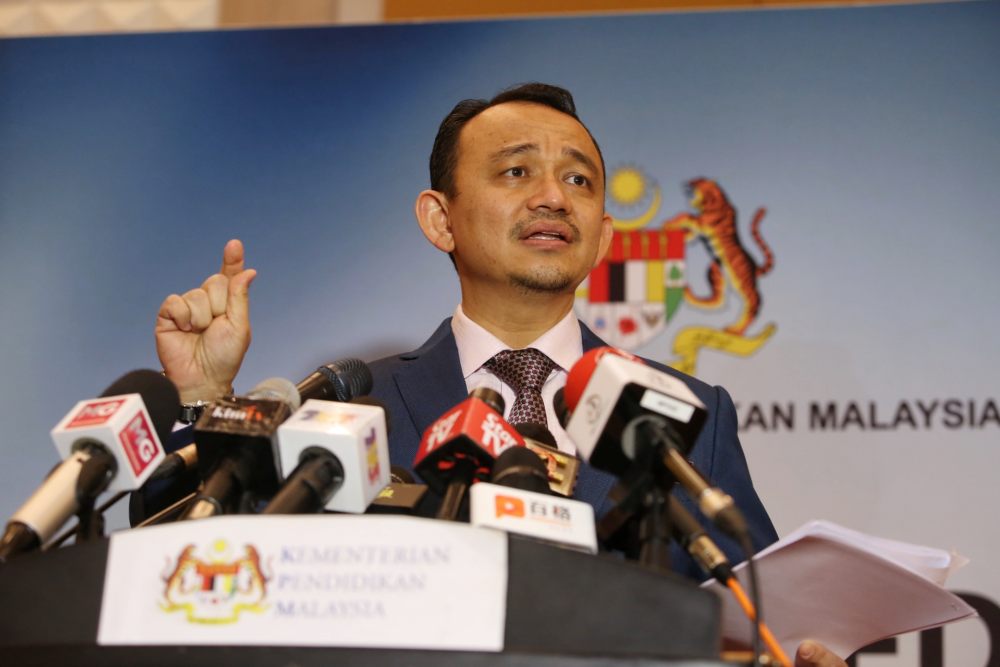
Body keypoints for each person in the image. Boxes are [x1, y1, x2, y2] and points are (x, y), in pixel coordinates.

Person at [155, 83, 847, 667]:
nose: (553, 196)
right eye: (517, 172)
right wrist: (204, 397)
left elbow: (758, 614)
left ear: (604, 235)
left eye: (578, 180)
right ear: (440, 218)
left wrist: (794, 648)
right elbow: (217, 584)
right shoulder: (354, 407)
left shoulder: (690, 411)